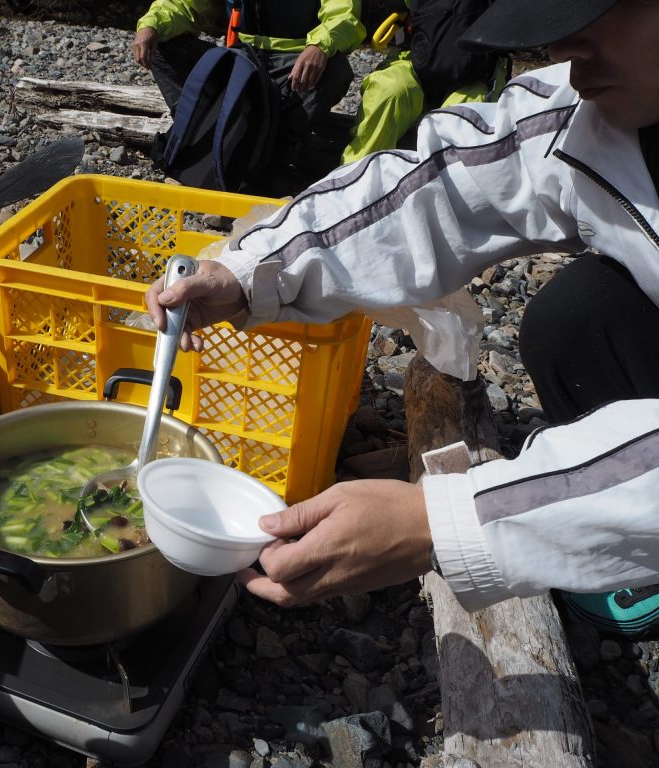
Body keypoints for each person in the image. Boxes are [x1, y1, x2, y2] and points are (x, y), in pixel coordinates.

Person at [145, 0, 659, 637]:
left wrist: (442, 524)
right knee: (578, 318)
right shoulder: (594, 108)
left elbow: (447, 522)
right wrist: (253, 271)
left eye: (593, 19)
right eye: (550, 33)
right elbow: (445, 184)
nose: (565, 59)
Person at [132, 0, 365, 179]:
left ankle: (275, 156)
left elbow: (345, 18)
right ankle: (200, 135)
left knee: (336, 69)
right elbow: (184, 5)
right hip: (243, 59)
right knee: (161, 44)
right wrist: (152, 24)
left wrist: (320, 46)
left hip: (297, 62)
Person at [340, 0, 510, 164]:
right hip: (416, 56)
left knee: (466, 113)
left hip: (477, 72)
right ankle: (353, 179)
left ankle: (446, 188)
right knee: (389, 91)